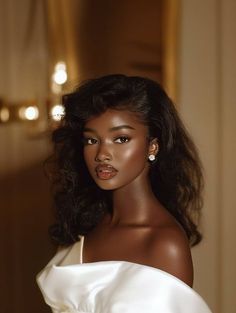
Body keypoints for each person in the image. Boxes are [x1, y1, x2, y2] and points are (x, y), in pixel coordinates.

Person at [37, 74, 212, 312]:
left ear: (152, 145)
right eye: (91, 140)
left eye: (121, 138)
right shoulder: (86, 225)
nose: (102, 154)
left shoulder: (164, 244)